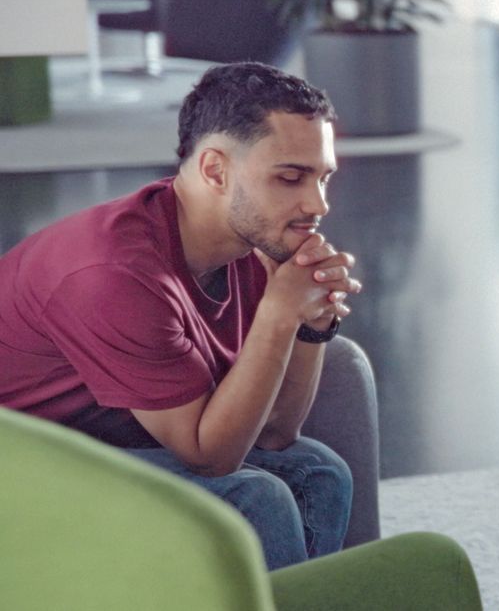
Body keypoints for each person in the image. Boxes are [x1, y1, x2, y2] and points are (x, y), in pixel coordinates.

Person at [0, 62, 363, 571]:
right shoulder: (113, 273)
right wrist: (280, 314)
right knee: (256, 497)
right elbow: (209, 458)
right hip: (19, 462)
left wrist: (311, 321)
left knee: (319, 471)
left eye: (323, 178)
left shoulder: (255, 245)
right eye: (290, 177)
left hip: (105, 435)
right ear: (216, 170)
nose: (317, 203)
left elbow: (277, 432)